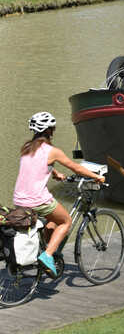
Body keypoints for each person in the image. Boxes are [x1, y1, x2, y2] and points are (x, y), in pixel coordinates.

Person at [12, 112, 104, 276]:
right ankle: (47, 256)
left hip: (19, 199)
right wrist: (96, 176)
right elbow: (75, 167)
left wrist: (54, 172)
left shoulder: (26, 148)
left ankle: (48, 248)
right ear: (49, 130)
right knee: (65, 222)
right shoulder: (51, 151)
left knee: (52, 221)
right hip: (37, 200)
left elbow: (34, 166)